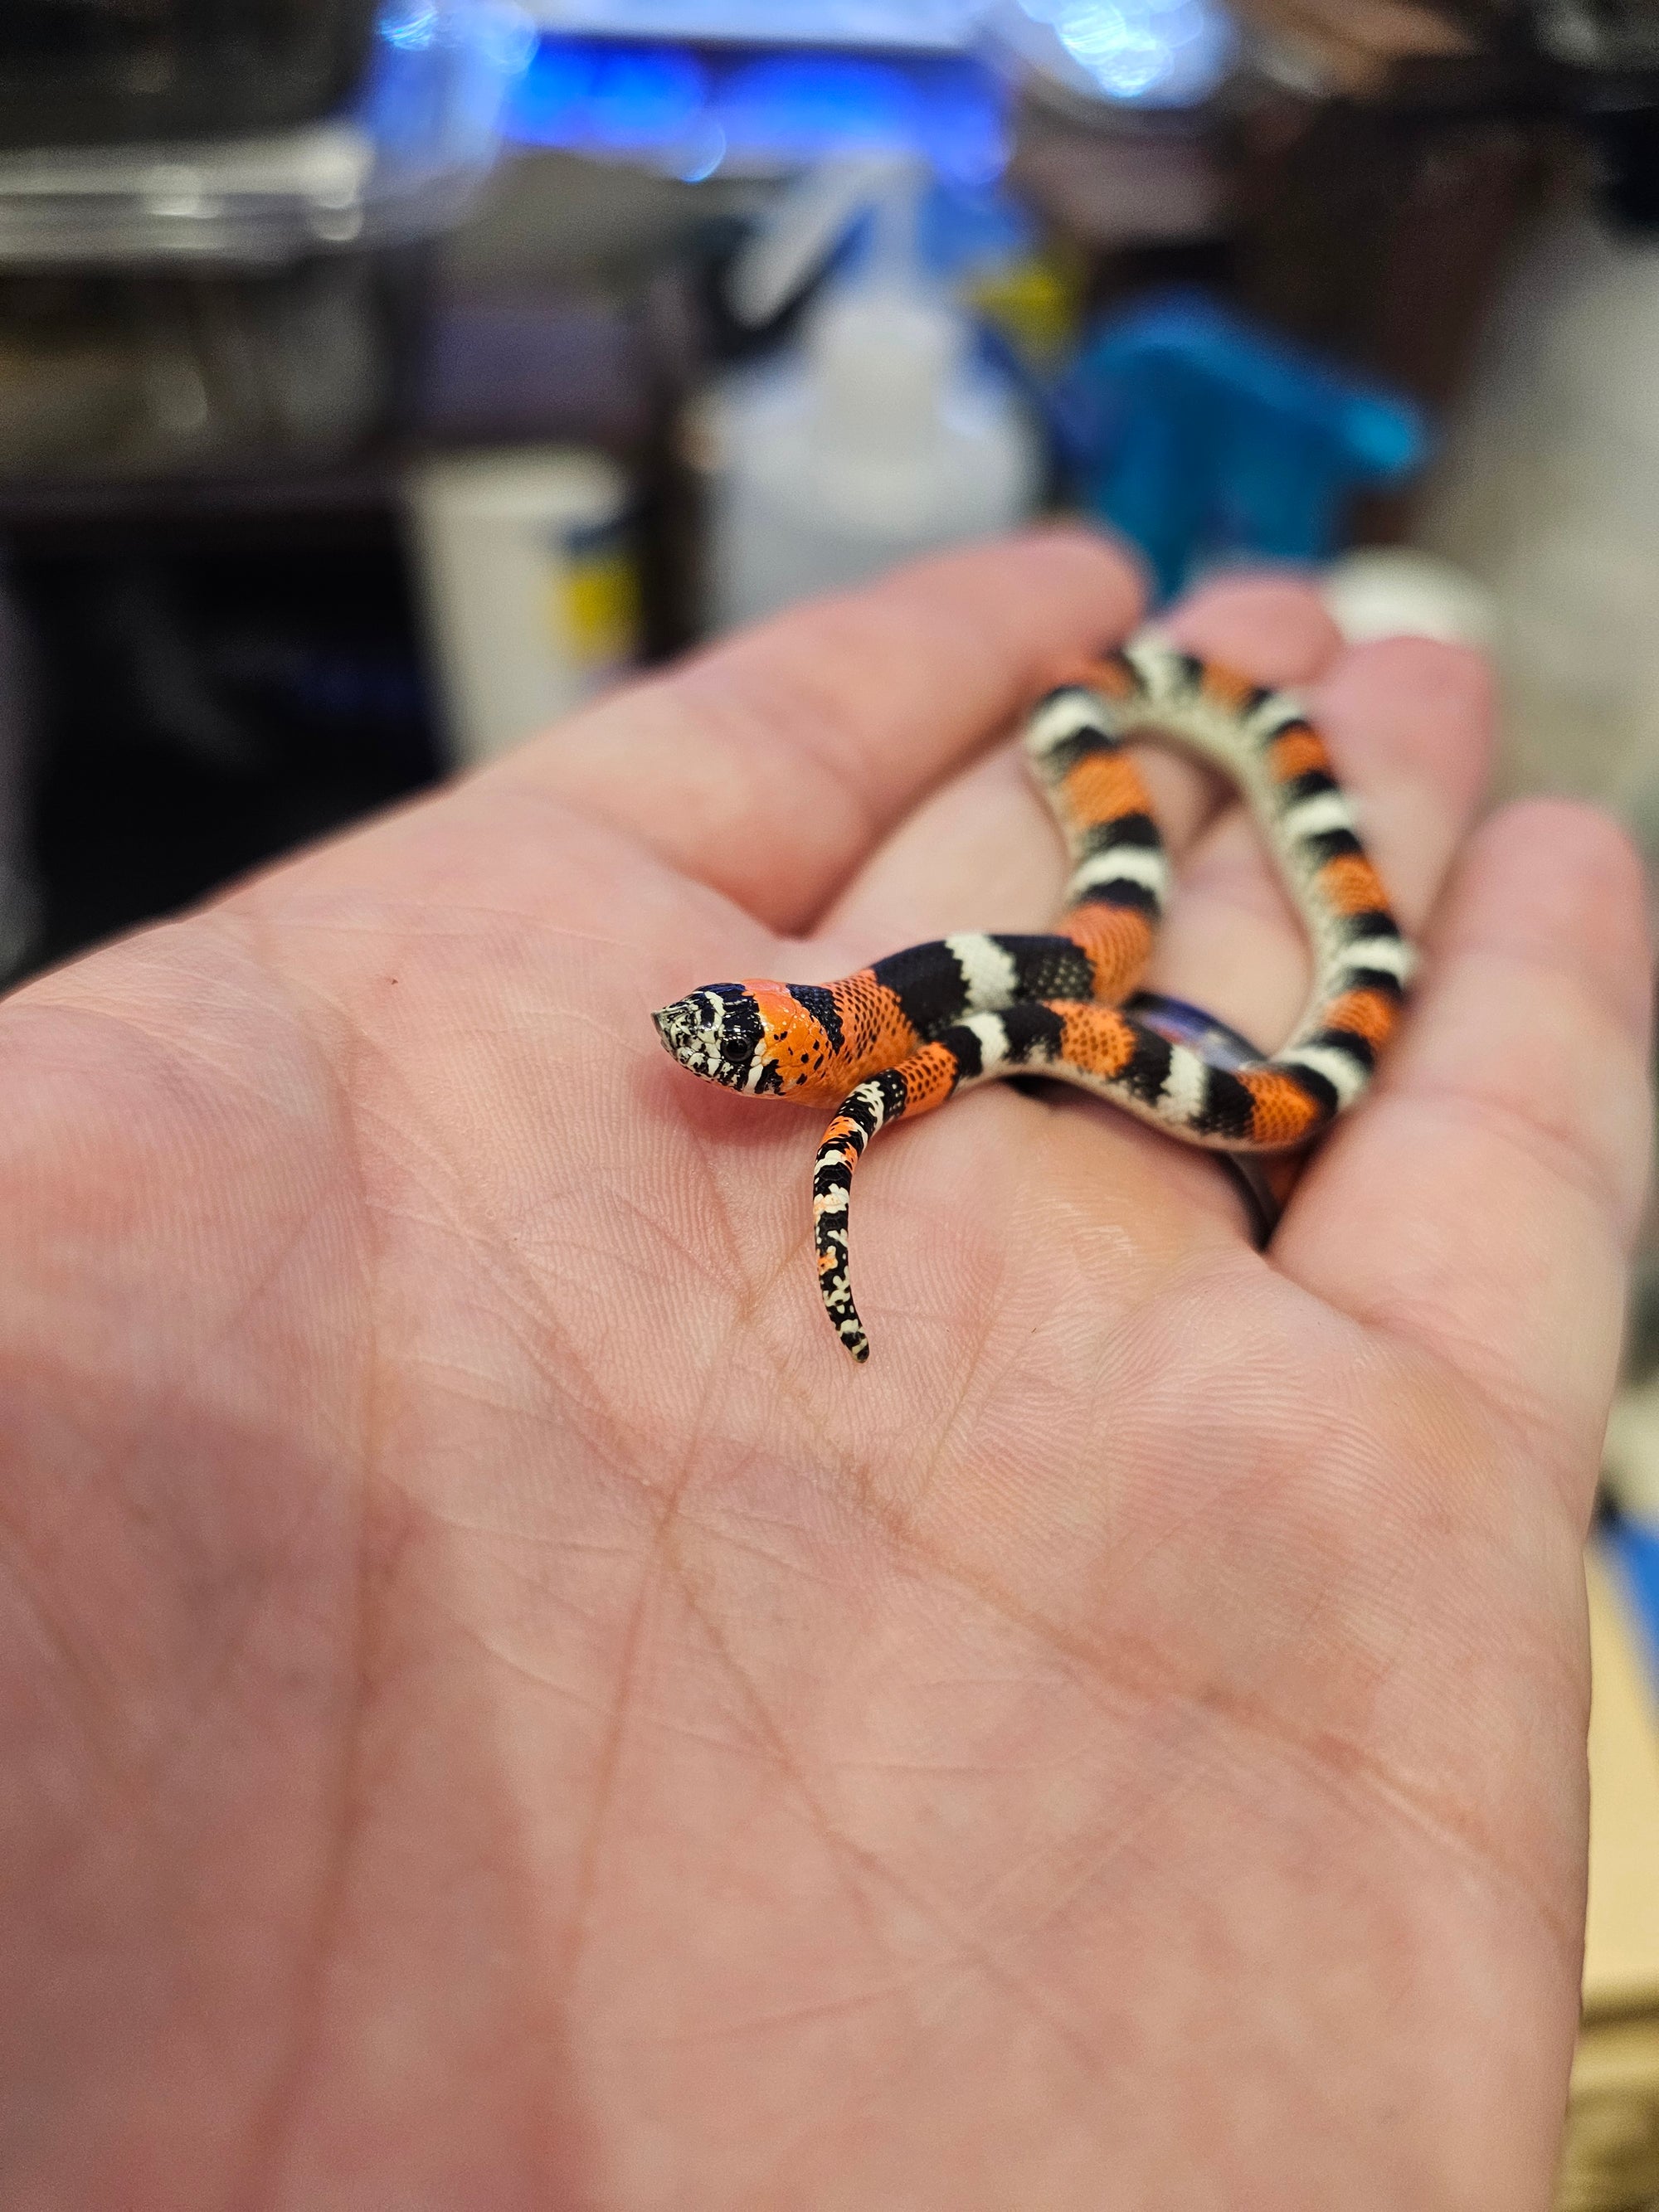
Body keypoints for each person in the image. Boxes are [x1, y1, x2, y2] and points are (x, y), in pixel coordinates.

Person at [0, 530, 1648, 2209]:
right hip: (1047, 968)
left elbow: (1053, 1017)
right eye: (725, 1031)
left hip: (1125, 965)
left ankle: (1194, 838)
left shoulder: (956, 1012)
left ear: (806, 1041)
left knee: (1233, 964)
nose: (696, 1048)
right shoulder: (916, 1010)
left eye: (732, 1037)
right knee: (1107, 922)